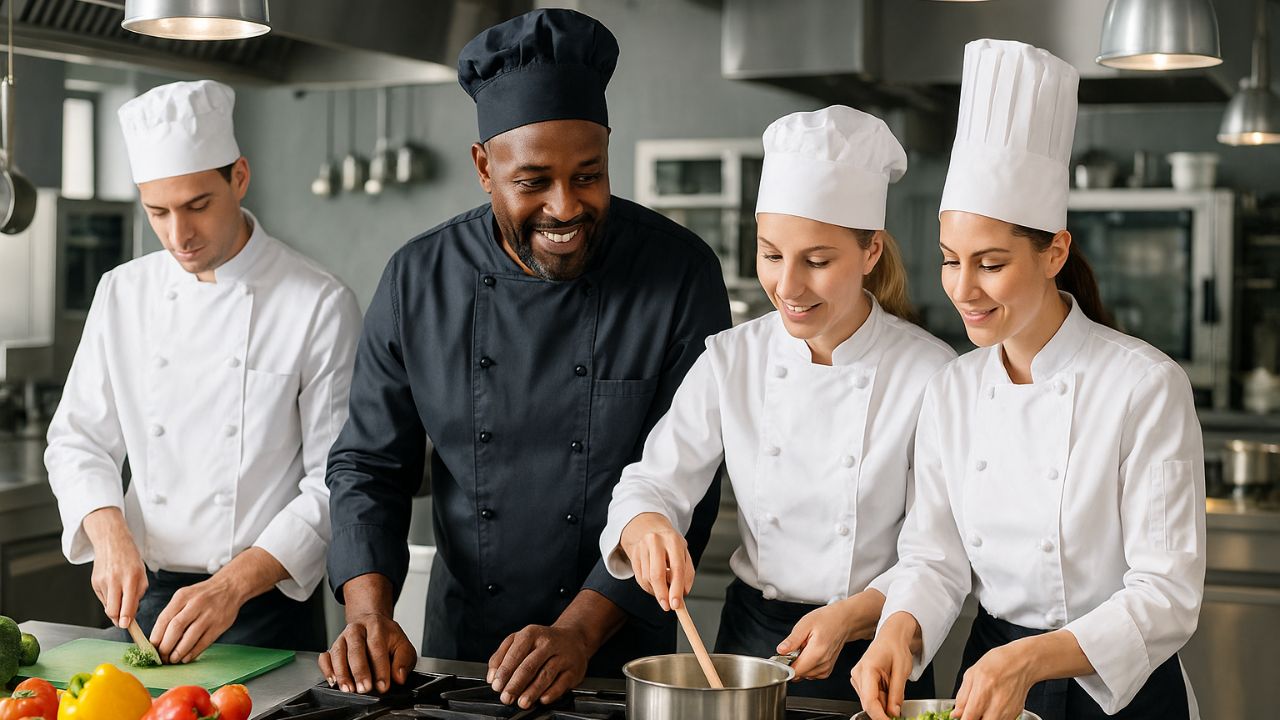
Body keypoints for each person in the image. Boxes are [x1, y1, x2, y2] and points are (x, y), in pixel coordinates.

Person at [320, 8, 731, 709]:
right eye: (533, 181)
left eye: (588, 175)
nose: (565, 208)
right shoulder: (419, 280)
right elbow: (369, 465)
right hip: (462, 653)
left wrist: (577, 631)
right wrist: (367, 614)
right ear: (484, 167)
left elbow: (683, 489)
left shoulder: (678, 273)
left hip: (620, 658)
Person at [850, 39, 1205, 720]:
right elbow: (936, 555)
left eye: (990, 263)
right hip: (990, 678)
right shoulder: (954, 388)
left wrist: (1035, 657)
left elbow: (1167, 593)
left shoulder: (1144, 385)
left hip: (1121, 690)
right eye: (951, 261)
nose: (963, 289)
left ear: (1055, 252)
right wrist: (900, 625)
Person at [599, 106, 953, 700]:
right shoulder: (732, 359)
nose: (787, 287)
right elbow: (651, 482)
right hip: (753, 642)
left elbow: (938, 550)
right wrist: (647, 525)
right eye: (770, 254)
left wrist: (854, 617)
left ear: (871, 253)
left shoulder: (931, 373)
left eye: (817, 261)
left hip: (881, 645)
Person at [45, 80, 362, 662]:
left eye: (197, 206)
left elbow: (333, 482)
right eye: (157, 212)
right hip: (144, 604)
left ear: (239, 177)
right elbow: (78, 438)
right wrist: (108, 530)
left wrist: (231, 586)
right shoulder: (122, 293)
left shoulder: (317, 302)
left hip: (263, 606)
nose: (178, 236)